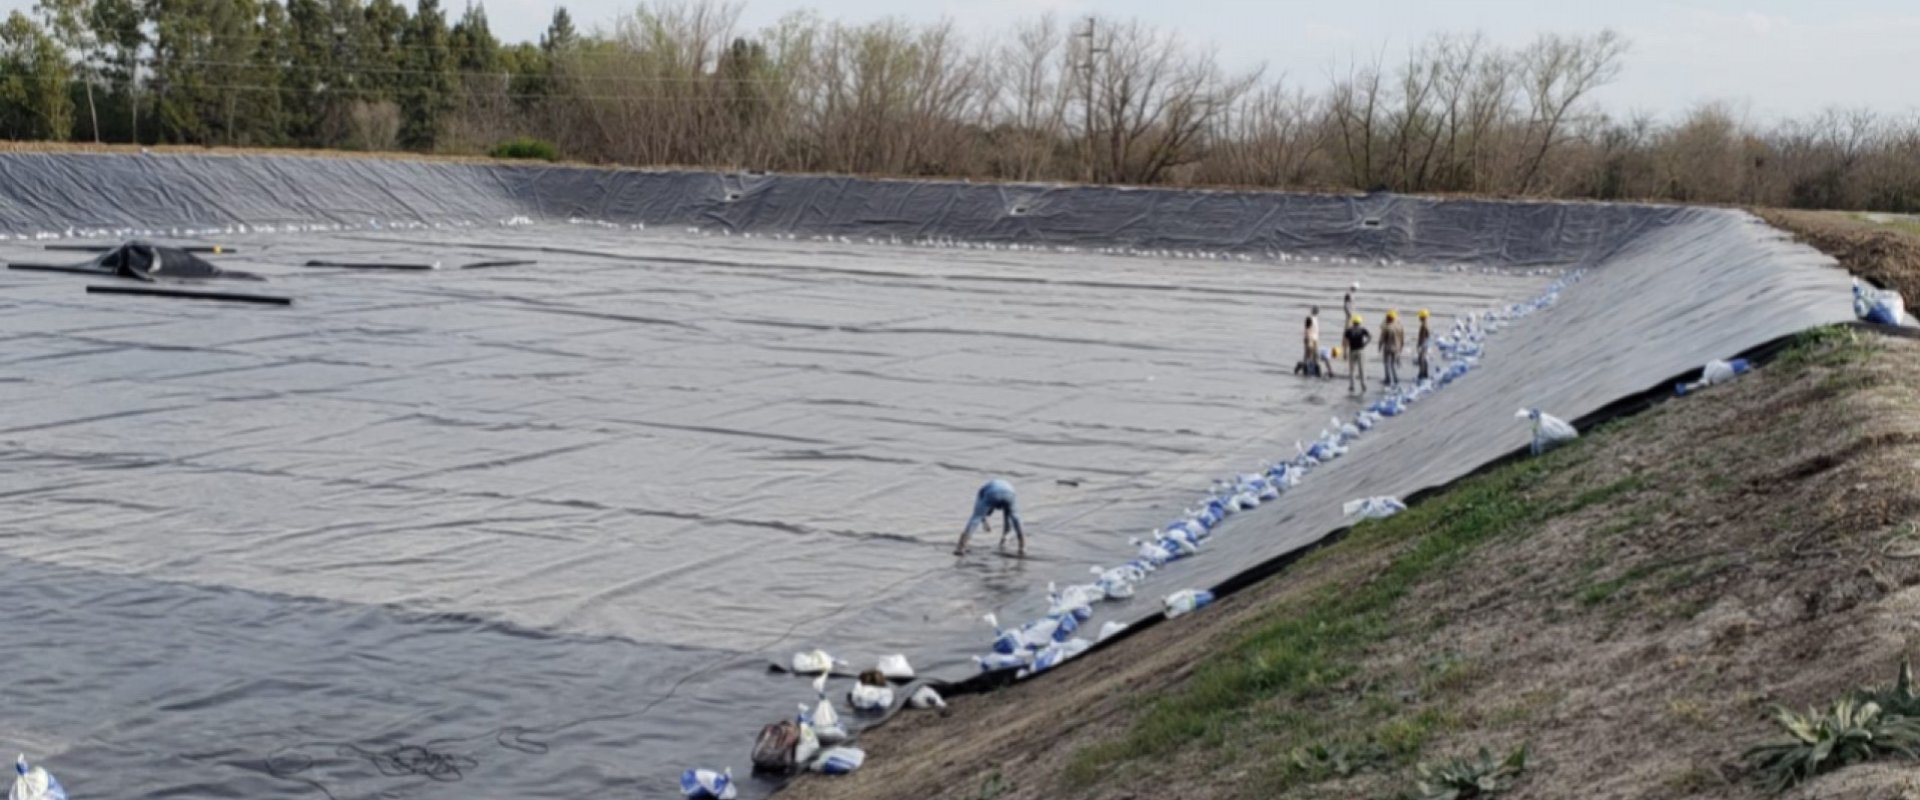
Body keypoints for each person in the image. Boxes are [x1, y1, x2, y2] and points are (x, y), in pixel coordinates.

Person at [955, 478, 1025, 557]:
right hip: (1010, 493)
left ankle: (961, 547)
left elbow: (977, 513)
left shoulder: (981, 492)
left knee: (975, 519)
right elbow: (1007, 521)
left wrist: (984, 521)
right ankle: (1021, 546)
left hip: (994, 493)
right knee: (1015, 518)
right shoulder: (991, 487)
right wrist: (1003, 536)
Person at [1343, 314, 1371, 393]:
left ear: (1353, 322)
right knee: (1361, 369)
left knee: (1352, 370)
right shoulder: (1362, 330)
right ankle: (1363, 385)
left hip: (1352, 351)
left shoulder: (1348, 330)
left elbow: (1345, 342)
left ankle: (1352, 385)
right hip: (1360, 351)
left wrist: (1345, 352)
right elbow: (1370, 337)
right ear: (1359, 322)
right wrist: (1365, 344)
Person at [1379, 310, 1405, 388]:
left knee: (1387, 363)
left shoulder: (1387, 327)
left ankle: (1388, 379)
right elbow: (1402, 338)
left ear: (1389, 318)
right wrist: (1401, 347)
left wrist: (1379, 346)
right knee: (1393, 364)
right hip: (1397, 347)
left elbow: (1382, 338)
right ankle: (1396, 379)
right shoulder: (1399, 326)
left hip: (1388, 348)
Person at [1416, 309, 1433, 382]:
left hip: (1423, 344)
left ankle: (1423, 374)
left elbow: (1425, 336)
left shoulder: (1424, 325)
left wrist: (1421, 345)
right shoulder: (1425, 324)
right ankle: (1424, 373)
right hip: (1425, 344)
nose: (1419, 318)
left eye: (1420, 317)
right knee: (1423, 359)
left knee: (1422, 359)